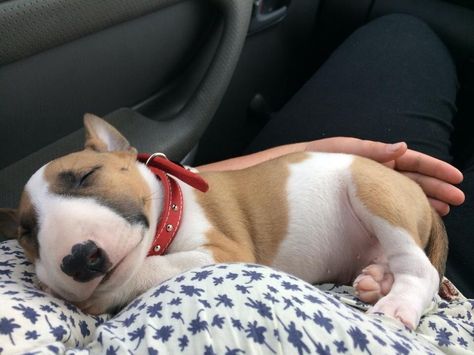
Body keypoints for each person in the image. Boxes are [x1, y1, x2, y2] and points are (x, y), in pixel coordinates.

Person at [198, 14, 472, 297]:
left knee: (401, 35)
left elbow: (174, 187)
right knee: (404, 37)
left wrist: (307, 154)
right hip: (427, 294)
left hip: (357, 246)